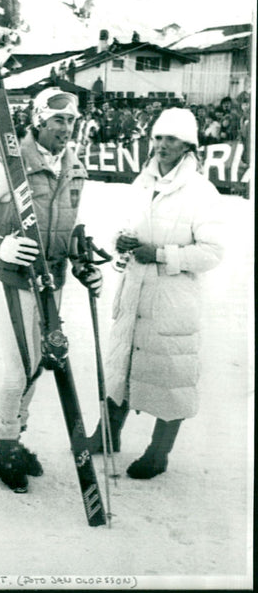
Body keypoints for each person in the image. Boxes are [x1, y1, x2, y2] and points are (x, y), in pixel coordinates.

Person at [0, 87, 102, 493]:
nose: (66, 129)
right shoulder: (9, 165)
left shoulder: (74, 166)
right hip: (16, 276)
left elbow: (69, 223)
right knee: (19, 369)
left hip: (53, 279)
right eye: (58, 121)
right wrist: (0, 244)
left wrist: (82, 259)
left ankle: (6, 437)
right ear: (39, 122)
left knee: (40, 365)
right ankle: (7, 444)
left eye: (71, 122)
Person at [87, 108, 225, 479]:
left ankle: (158, 452)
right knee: (122, 365)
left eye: (172, 139)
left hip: (171, 300)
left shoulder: (201, 191)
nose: (162, 145)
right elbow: (126, 225)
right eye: (158, 138)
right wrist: (121, 241)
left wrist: (163, 254)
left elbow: (212, 253)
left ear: (188, 145)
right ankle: (106, 434)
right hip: (135, 291)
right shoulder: (143, 182)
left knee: (169, 376)